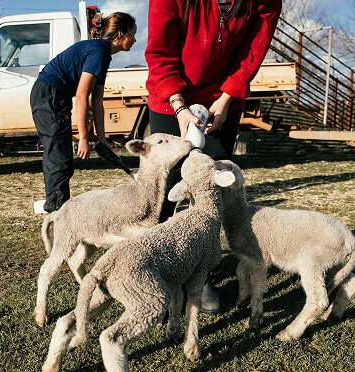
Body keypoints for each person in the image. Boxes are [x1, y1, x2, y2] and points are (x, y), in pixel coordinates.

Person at [145, 0, 282, 313]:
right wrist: (179, 106)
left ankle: (198, 270)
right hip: (171, 96)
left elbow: (252, 51)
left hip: (222, 98)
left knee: (210, 187)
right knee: (167, 188)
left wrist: (226, 98)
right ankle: (157, 268)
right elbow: (159, 52)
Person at [31, 12, 137, 213]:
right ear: (121, 34)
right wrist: (83, 137)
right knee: (59, 157)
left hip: (54, 95)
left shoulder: (103, 54)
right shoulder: (98, 51)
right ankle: (55, 210)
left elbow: (97, 101)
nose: (135, 39)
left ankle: (54, 206)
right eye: (133, 33)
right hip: (48, 94)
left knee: (60, 156)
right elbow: (81, 96)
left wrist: (103, 139)